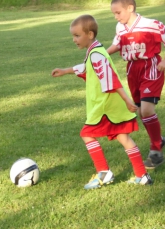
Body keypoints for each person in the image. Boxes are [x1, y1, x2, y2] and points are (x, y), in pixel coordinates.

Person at [51, 14, 153, 189]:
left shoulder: (97, 54)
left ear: (89, 34)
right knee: (123, 137)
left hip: (105, 107)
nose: (74, 39)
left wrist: (128, 101)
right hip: (112, 106)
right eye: (73, 36)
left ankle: (104, 173)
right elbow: (86, 69)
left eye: (77, 35)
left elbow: (111, 79)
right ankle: (142, 175)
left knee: (86, 134)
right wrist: (65, 71)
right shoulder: (95, 50)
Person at [107, 0, 165, 169]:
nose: (116, 17)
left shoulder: (151, 24)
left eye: (118, 13)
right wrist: (100, 54)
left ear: (130, 8)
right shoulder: (120, 28)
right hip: (132, 70)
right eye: (114, 14)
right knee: (142, 112)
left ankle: (156, 152)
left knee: (146, 111)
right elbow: (118, 44)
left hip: (151, 67)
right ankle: (158, 139)